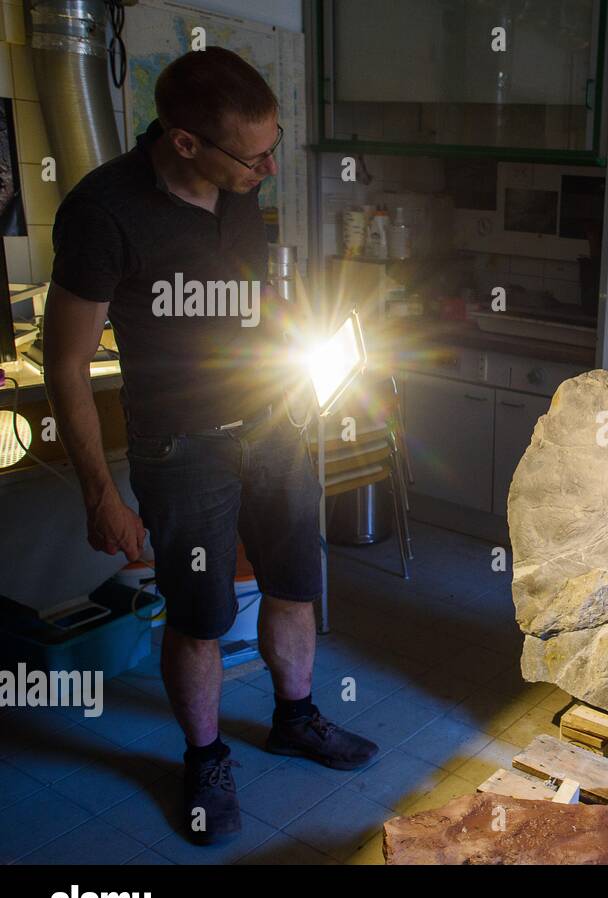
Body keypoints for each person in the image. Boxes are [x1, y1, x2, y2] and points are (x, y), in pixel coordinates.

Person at [44, 47, 377, 846]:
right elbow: (66, 360)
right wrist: (99, 492)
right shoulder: (104, 211)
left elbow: (245, 290)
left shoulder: (239, 191)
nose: (268, 166)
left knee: (296, 583)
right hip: (182, 444)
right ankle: (205, 758)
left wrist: (302, 335)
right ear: (185, 141)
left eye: (274, 144)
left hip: (274, 425)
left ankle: (295, 717)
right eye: (253, 153)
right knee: (200, 615)